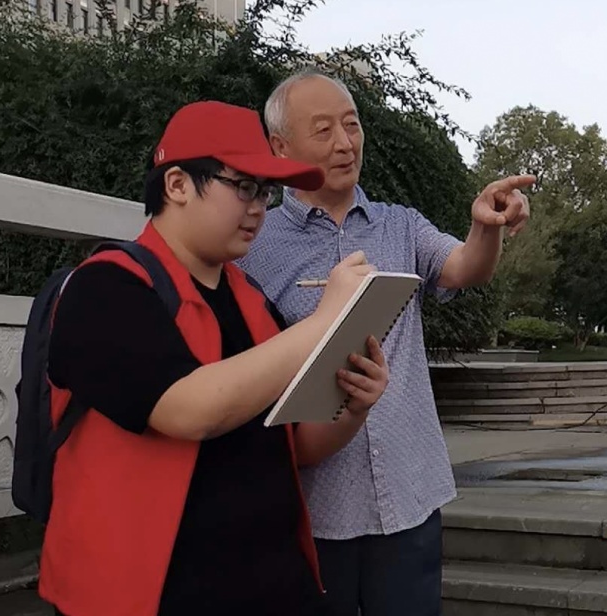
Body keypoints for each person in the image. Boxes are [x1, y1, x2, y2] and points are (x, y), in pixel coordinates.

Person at [38, 100, 390, 616]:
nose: (258, 208)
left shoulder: (253, 301)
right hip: (145, 595)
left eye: (264, 192)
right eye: (243, 186)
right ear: (177, 184)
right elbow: (189, 409)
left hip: (275, 586)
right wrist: (323, 324)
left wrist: (353, 406)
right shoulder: (104, 288)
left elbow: (296, 444)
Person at [236, 70, 535, 616]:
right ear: (280, 146)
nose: (345, 143)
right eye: (323, 130)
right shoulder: (254, 245)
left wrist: (486, 226)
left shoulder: (400, 225)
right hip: (312, 508)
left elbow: (464, 267)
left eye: (352, 125)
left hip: (409, 496)